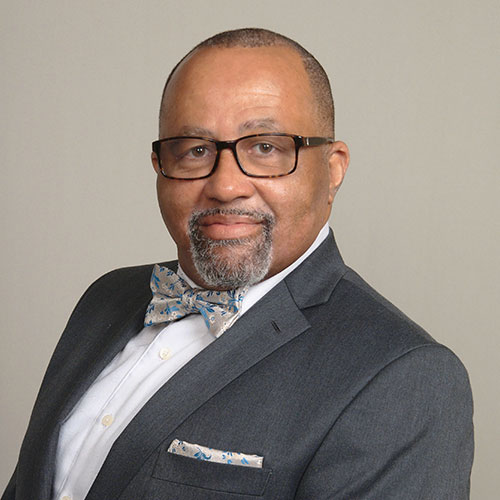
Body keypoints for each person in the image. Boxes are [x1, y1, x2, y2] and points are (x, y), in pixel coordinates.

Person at [3, 28, 473, 500]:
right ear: (159, 166)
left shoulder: (405, 378)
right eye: (195, 150)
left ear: (332, 170)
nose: (226, 186)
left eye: (266, 148)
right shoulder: (106, 298)